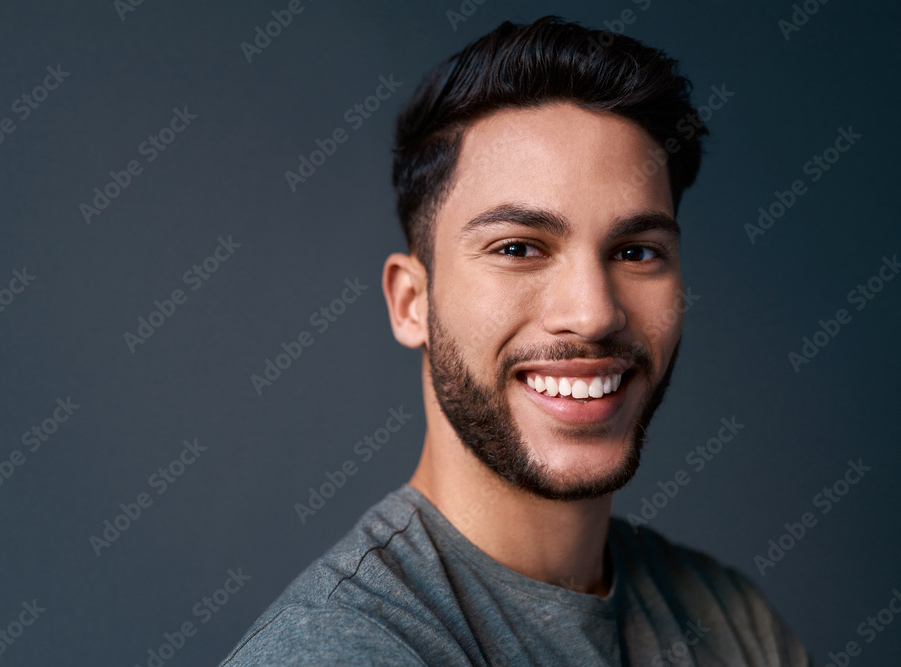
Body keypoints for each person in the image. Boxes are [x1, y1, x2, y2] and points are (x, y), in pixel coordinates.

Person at [220, 15, 814, 665]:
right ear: (411, 301)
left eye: (637, 251)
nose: (593, 314)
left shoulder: (731, 621)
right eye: (519, 247)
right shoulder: (336, 649)